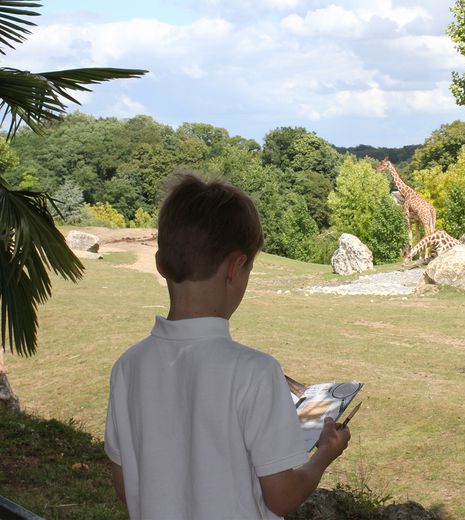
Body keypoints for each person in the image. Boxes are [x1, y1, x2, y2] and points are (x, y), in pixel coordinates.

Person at [104, 173, 350, 519]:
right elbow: (282, 498)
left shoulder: (127, 367)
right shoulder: (256, 373)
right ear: (236, 268)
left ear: (161, 264)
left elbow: (125, 488)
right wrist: (324, 453)